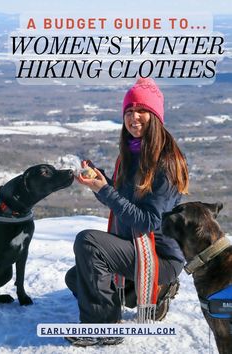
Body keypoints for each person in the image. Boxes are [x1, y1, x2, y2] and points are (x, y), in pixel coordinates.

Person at [65, 77, 189, 347]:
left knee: (88, 242)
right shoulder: (131, 153)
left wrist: (106, 192)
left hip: (160, 255)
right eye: (129, 112)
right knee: (75, 278)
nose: (134, 117)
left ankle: (103, 326)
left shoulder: (167, 162)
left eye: (141, 110)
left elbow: (147, 221)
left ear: (155, 115)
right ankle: (150, 295)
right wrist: (102, 184)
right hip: (137, 246)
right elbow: (124, 203)